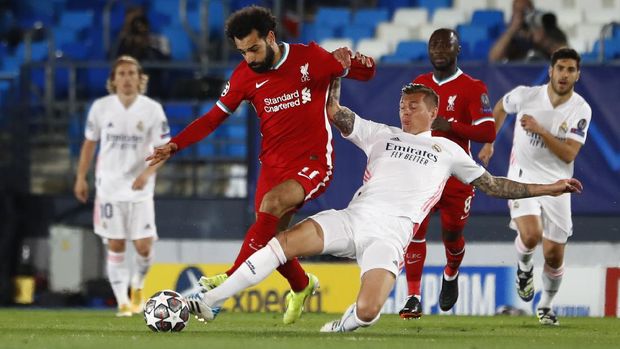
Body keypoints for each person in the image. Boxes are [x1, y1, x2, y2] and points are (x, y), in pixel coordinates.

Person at [183, 80, 582, 332]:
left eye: (412, 106)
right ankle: (206, 302)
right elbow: (336, 114)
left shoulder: (449, 150)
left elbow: (494, 185)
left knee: (370, 311)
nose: (404, 111)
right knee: (283, 241)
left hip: (390, 237)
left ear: (433, 111)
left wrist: (549, 188)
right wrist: (333, 76)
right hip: (353, 219)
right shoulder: (381, 134)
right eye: (402, 105)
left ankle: (341, 328)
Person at [146, 5, 375, 324]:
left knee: (272, 204)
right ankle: (302, 285)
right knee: (269, 241)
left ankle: (222, 288)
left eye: (253, 49)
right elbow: (213, 119)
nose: (249, 58)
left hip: (312, 162)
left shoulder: (309, 58)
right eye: (242, 52)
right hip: (272, 166)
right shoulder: (243, 76)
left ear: (270, 37)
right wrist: (175, 144)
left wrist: (356, 62)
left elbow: (364, 73)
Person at [478, 48, 590, 326]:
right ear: (550, 71)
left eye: (570, 70)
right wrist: (490, 141)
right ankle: (524, 268)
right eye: (560, 68)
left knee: (553, 255)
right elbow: (501, 107)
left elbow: (568, 154)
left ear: (578, 74)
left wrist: (541, 130)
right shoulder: (526, 95)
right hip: (522, 177)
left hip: (558, 185)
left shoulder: (580, 109)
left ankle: (546, 306)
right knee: (531, 236)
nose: (564, 75)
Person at [399, 28, 496, 319]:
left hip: (456, 176)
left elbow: (487, 130)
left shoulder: (472, 87)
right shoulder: (418, 84)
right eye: (434, 45)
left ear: (458, 50)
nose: (439, 50)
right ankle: (413, 297)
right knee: (415, 231)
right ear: (428, 50)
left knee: (452, 237)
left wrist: (451, 126)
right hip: (423, 173)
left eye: (446, 45)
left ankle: (451, 273)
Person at [74, 55, 170, 317]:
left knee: (143, 247)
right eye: (122, 74)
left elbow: (163, 151)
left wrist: (147, 174)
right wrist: (81, 177)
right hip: (109, 188)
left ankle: (138, 286)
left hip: (140, 189)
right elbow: (89, 144)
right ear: (113, 81)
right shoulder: (101, 108)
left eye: (132, 74)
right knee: (116, 244)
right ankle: (123, 302)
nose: (127, 79)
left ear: (141, 79)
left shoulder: (152, 110)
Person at [488, 0, 566, 63]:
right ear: (514, 13)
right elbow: (493, 58)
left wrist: (544, 41)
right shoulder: (510, 35)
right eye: (521, 12)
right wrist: (512, 31)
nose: (525, 15)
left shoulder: (546, 29)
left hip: (544, 76)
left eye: (528, 10)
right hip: (517, 77)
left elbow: (565, 57)